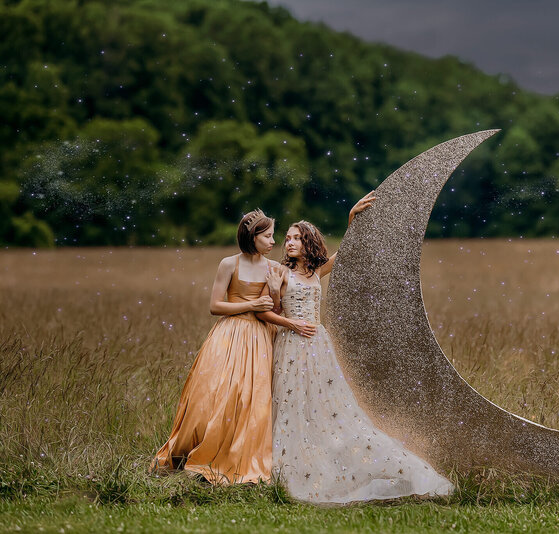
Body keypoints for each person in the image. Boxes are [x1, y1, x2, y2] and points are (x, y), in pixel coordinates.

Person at [258, 193, 453, 503]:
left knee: (326, 405)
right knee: (288, 403)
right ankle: (285, 466)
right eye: (287, 238)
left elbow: (346, 254)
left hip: (317, 347)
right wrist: (291, 325)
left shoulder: (314, 273)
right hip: (290, 345)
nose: (290, 242)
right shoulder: (279, 274)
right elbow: (268, 312)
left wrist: (352, 219)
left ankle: (328, 460)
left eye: (297, 238)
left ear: (309, 244)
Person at [151, 209, 280, 484]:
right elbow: (215, 306)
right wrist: (251, 305)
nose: (273, 242)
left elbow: (306, 278)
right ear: (252, 236)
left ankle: (241, 453)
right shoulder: (229, 264)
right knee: (216, 393)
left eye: (273, 236)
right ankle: (200, 449)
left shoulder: (273, 268)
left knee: (253, 399)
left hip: (260, 338)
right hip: (230, 333)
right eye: (267, 236)